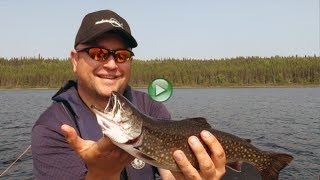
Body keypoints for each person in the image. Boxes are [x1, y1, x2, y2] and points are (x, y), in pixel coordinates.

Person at [31, 9, 226, 180]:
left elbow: (169, 172)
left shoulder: (151, 107)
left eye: (121, 55)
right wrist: (102, 176)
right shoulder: (51, 129)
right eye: (98, 53)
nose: (111, 64)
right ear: (75, 60)